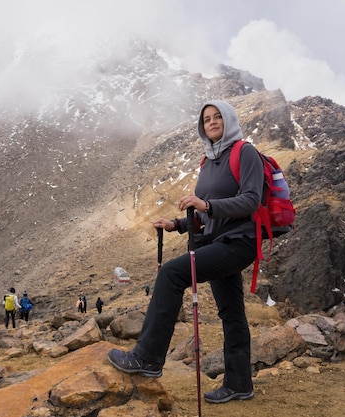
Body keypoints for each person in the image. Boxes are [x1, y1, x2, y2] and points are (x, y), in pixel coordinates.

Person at [107, 100, 262, 404]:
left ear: (229, 120)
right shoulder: (209, 160)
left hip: (239, 243)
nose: (212, 122)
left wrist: (206, 205)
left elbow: (251, 201)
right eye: (206, 119)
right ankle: (239, 384)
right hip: (216, 242)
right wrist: (176, 224)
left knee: (171, 273)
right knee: (231, 312)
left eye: (218, 117)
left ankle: (148, 358)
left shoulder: (245, 152)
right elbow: (206, 214)